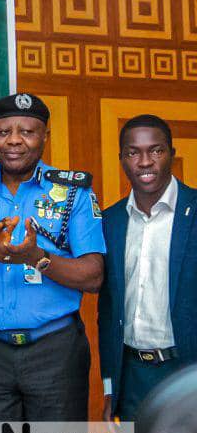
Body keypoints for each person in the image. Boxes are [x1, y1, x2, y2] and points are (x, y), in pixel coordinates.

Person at [0, 93, 105, 433]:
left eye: (27, 132)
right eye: (3, 132)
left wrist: (37, 258)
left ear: (45, 136)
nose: (14, 140)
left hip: (55, 350)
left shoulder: (74, 193)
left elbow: (93, 276)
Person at [98, 114, 197, 422]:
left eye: (155, 151)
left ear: (171, 154)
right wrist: (108, 387)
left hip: (187, 371)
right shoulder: (110, 222)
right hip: (131, 376)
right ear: (121, 159)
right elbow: (107, 311)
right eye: (133, 152)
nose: (145, 162)